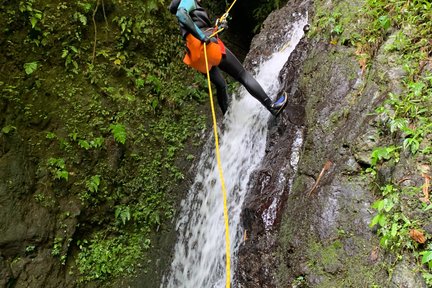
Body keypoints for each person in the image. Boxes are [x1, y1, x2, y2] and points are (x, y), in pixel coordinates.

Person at [169, 0, 288, 116]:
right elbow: (181, 14)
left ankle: (227, 121)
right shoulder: (188, 1)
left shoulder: (191, 11)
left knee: (221, 84)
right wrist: (201, 36)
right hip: (205, 46)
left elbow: (201, 28)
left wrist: (218, 27)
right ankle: (272, 107)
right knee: (243, 75)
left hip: (195, 56)